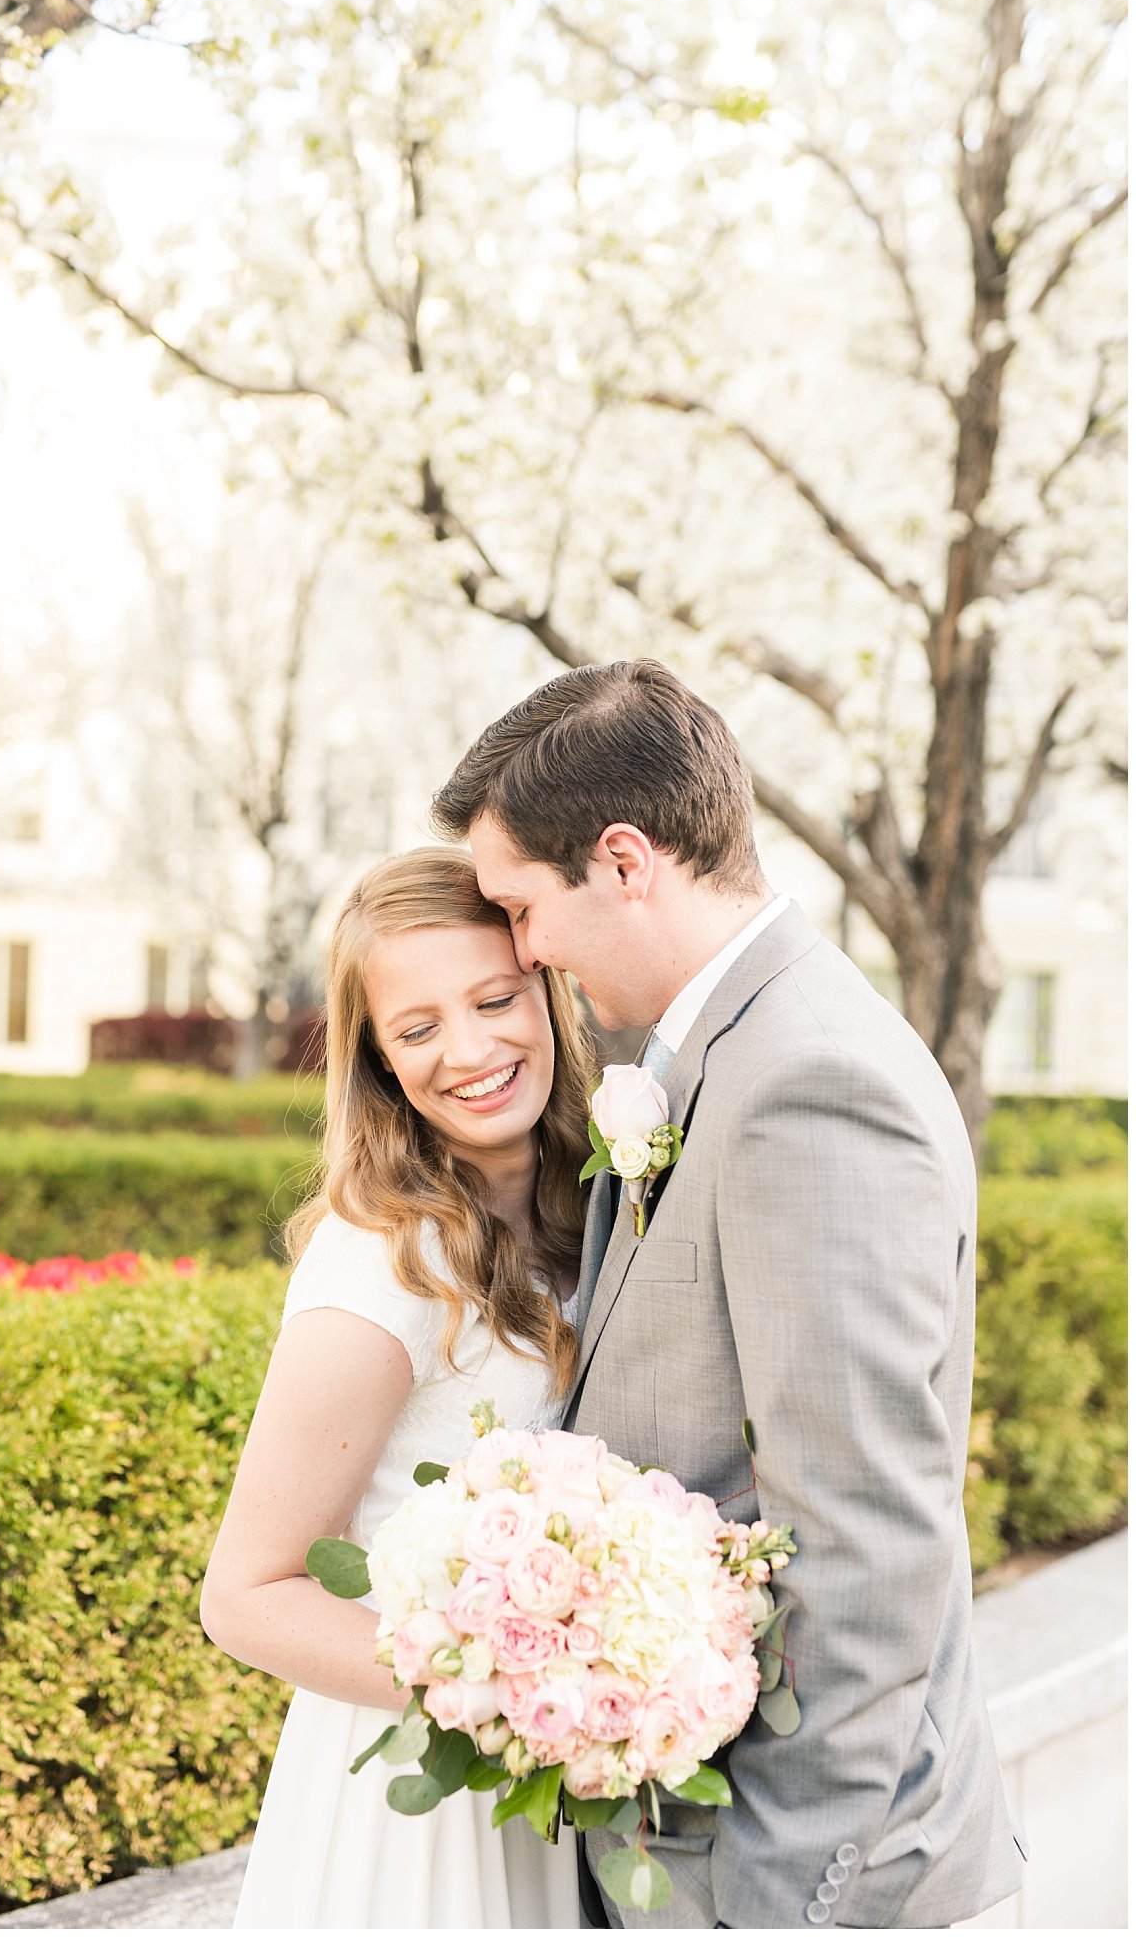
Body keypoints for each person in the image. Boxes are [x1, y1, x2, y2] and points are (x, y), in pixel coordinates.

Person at [431, 658, 1026, 1931]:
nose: (524, 948)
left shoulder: (806, 1080)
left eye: (525, 906)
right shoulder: (710, 1054)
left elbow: (867, 1543)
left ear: (626, 858)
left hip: (811, 1875)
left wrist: (769, 1909)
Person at [201, 845, 591, 1929]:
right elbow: (243, 1592)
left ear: (547, 986)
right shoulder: (386, 1256)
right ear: (375, 1058)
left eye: (494, 998)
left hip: (553, 1781)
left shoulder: (593, 1209)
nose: (469, 1049)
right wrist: (502, 1688)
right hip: (417, 1809)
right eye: (416, 1028)